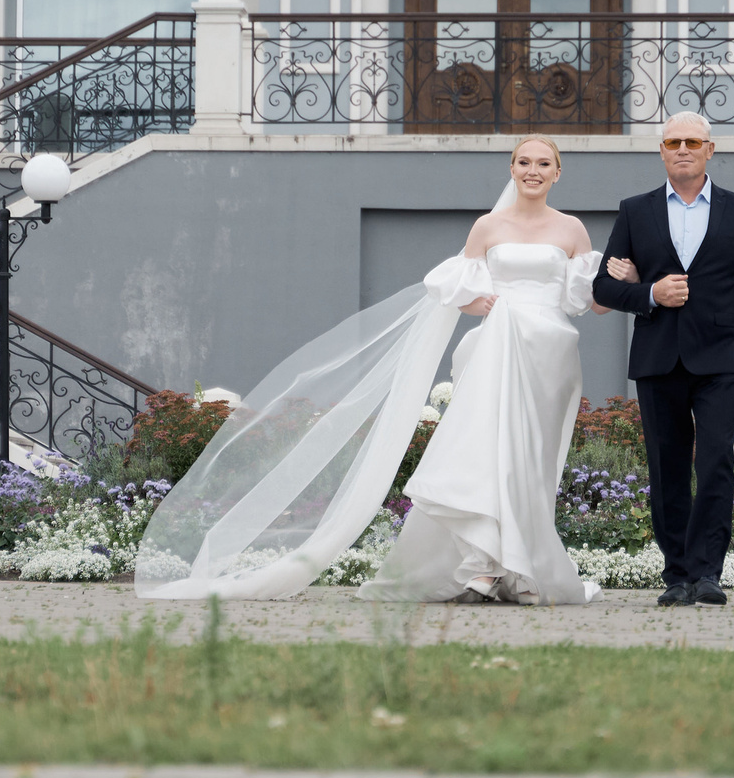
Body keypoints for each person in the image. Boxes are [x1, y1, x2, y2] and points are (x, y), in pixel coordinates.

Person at [133, 136, 607, 605]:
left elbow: (585, 300)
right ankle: (484, 565)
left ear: (557, 172)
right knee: (486, 451)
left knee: (533, 458)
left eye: (543, 163)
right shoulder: (488, 225)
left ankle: (521, 568)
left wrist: (623, 280)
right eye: (523, 161)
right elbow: (456, 287)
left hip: (549, 354)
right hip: (496, 350)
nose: (533, 170)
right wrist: (474, 301)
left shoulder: (572, 230)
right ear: (511, 168)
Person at [591, 110, 734, 609]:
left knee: (715, 463)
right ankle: (676, 574)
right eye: (673, 141)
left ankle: (707, 573)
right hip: (657, 358)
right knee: (666, 467)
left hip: (720, 360)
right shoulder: (636, 210)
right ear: (662, 151)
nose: (683, 149)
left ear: (710, 150)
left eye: (692, 142)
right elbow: (603, 288)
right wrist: (650, 292)